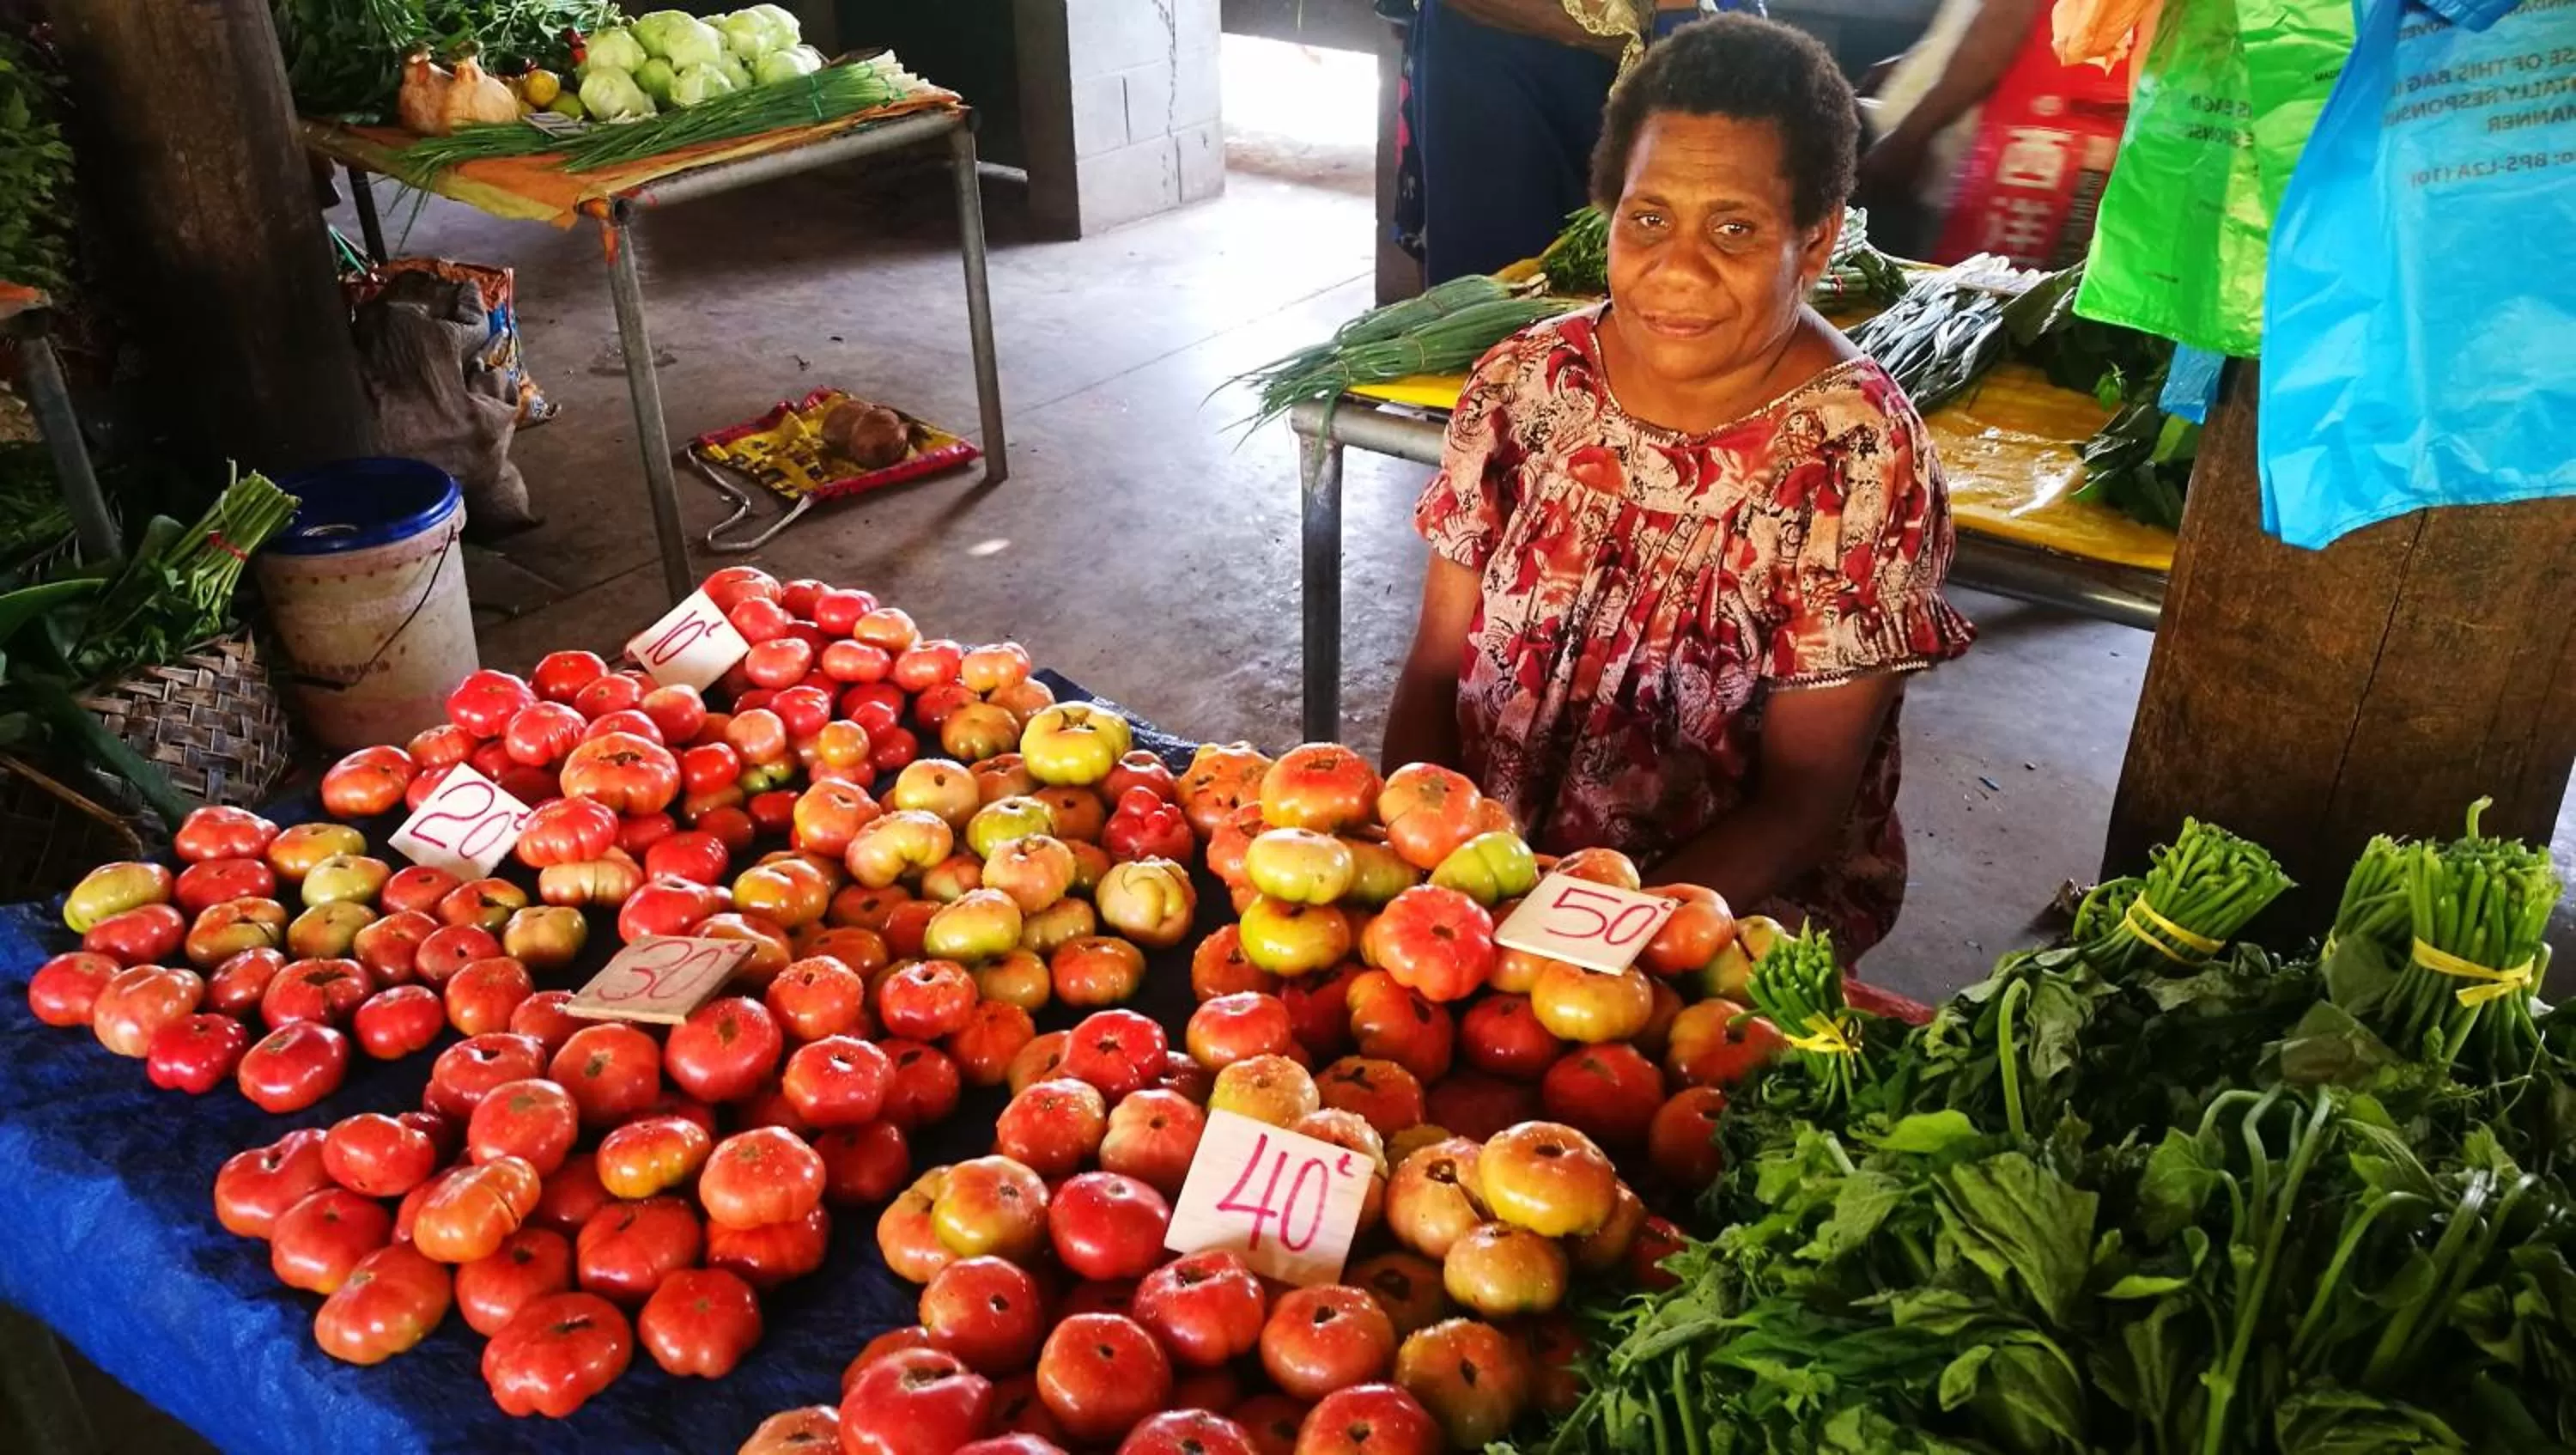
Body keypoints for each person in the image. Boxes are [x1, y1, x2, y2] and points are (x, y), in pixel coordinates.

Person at [1382, 15, 1976, 958]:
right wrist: (1430, 875)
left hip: (1720, 907)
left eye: (1735, 229)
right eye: (1648, 217)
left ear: (1816, 242)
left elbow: (1800, 805)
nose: (1678, 268)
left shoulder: (1855, 459)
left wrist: (1576, 945)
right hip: (1486, 879)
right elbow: (1433, 671)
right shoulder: (1525, 386)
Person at [1407, 0, 1745, 283]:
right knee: (1495, 283)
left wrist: (1667, 32)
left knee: (1603, 268)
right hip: (1490, 55)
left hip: (1613, 69)